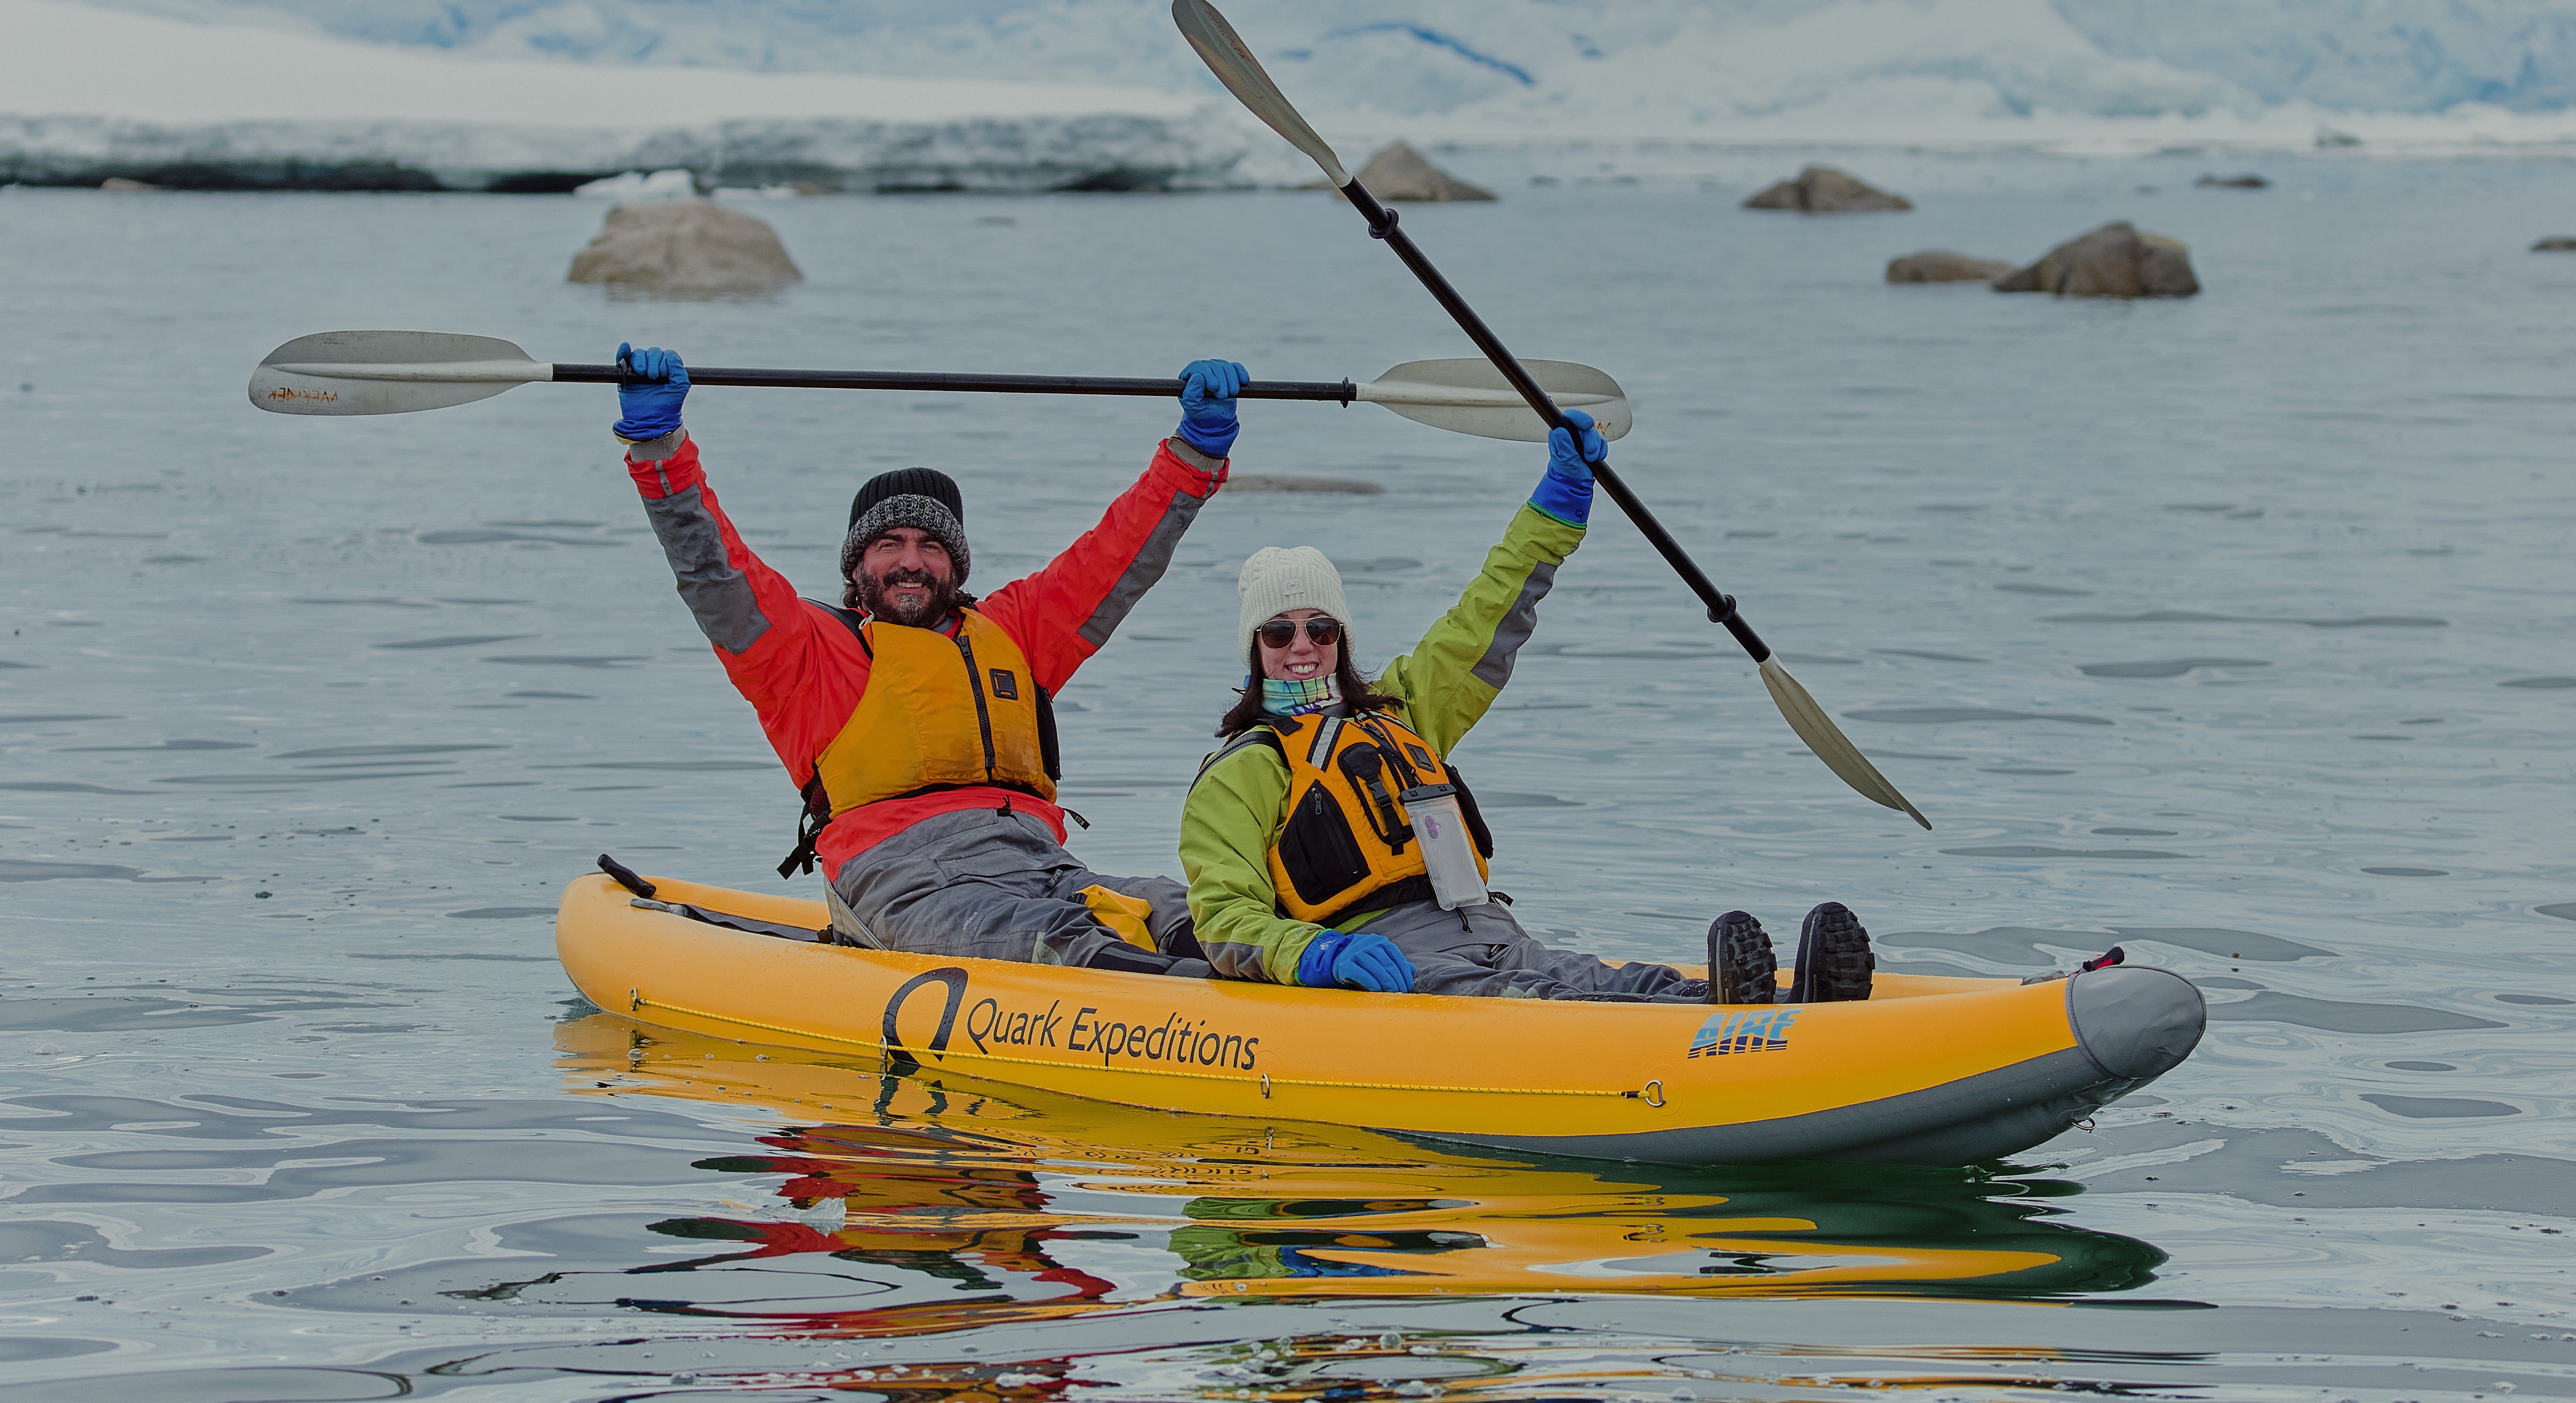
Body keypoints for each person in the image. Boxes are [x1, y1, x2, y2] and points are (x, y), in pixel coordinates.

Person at [1179, 410, 1875, 1004]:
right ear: (1255, 646)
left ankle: (1777, 1003)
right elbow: (1223, 915)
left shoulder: (1405, 710)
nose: (1302, 647)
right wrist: (1317, 954)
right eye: (1280, 631)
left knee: (1608, 979)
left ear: (1340, 638)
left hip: (1493, 931)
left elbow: (1489, 609)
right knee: (1538, 1001)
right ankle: (1715, 1030)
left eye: (1320, 628)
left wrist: (1559, 500)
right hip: (1393, 967)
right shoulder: (1241, 771)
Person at [612, 341, 1250, 975]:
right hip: (903, 881)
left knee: (1182, 911)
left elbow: (1120, 556)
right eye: (889, 544)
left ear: (956, 563)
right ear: (858, 565)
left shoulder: (1015, 632)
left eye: (930, 545)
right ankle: (1203, 1020)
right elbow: (712, 570)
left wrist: (1194, 453)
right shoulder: (802, 655)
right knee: (1057, 941)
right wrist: (661, 450)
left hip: (1042, 862)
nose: (911, 561)